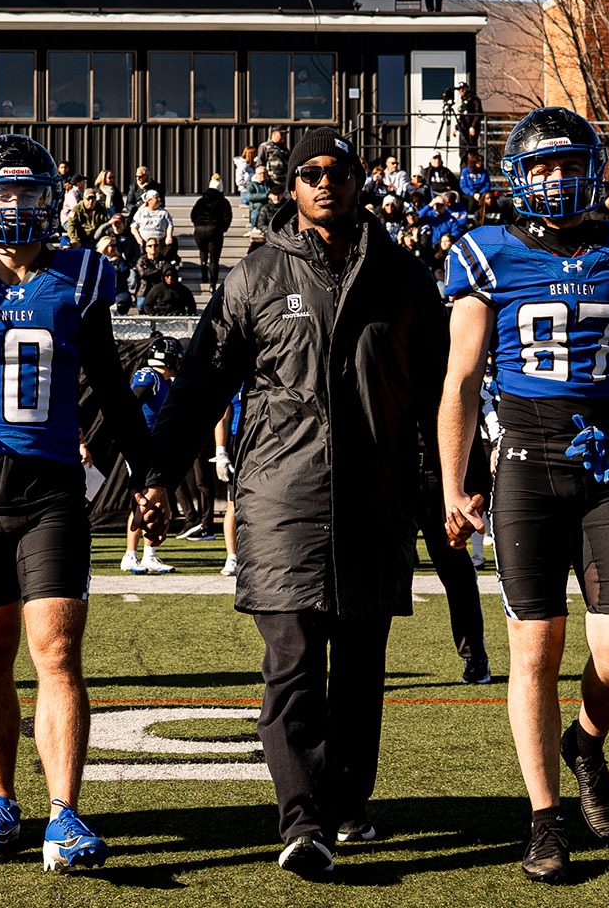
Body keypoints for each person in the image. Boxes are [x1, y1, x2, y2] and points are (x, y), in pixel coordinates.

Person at [137, 126, 447, 878]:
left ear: (360, 179)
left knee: (363, 669)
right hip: (282, 497)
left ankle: (344, 803)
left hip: (375, 499)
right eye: (309, 172)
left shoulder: (405, 278)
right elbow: (204, 382)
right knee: (295, 661)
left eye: (337, 170)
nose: (324, 182)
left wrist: (451, 493)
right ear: (290, 185)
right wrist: (155, 474)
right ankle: (302, 819)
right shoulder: (254, 277)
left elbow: (439, 398)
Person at [437, 106, 609, 884]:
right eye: (540, 166)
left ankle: (585, 740)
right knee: (534, 651)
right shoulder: (484, 251)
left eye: (567, 163)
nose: (555, 179)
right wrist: (454, 482)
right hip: (523, 464)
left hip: (607, 462)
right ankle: (544, 818)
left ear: (593, 169)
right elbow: (461, 380)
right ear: (518, 175)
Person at [0, 134, 154, 872]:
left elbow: (112, 386)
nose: (14, 208)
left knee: (57, 653)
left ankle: (64, 812)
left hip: (51, 488)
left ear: (52, 203)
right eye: (1, 195)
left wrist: (148, 474)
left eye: (27, 195)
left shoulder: (80, 276)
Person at [122, 337, 184, 574]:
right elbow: (134, 400)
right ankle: (131, 555)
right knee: (144, 499)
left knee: (151, 500)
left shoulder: (166, 382)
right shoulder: (149, 375)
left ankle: (147, 554)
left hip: (156, 446)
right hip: (143, 445)